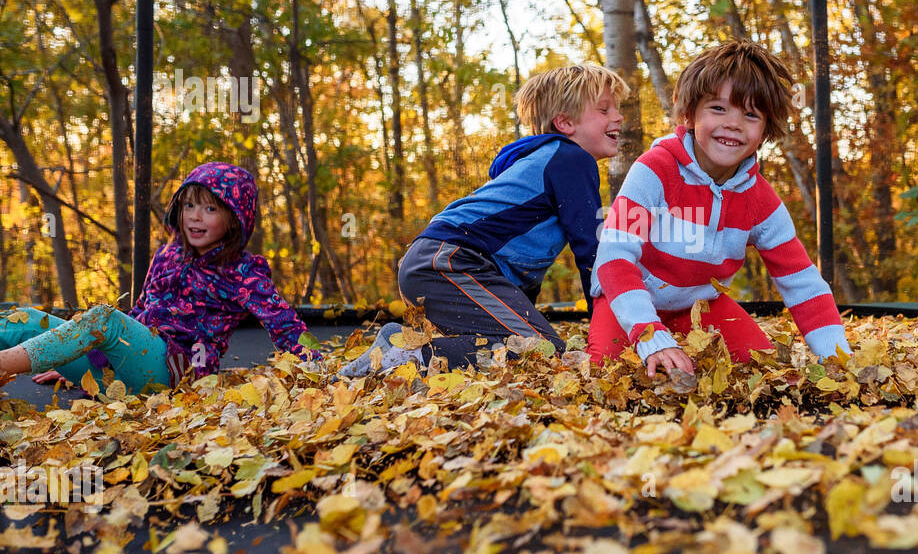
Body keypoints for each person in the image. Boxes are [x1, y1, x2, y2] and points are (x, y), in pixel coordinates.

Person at [342, 63, 629, 376]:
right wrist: (609, 330)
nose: (618, 116)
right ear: (565, 122)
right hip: (448, 261)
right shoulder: (571, 159)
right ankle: (403, 355)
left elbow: (513, 279)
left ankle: (405, 349)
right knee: (540, 352)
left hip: (436, 263)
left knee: (535, 346)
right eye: (604, 109)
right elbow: (591, 252)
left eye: (617, 108)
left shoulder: (546, 161)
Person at [588, 40, 849, 376]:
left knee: (758, 367)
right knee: (611, 371)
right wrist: (651, 335)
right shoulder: (654, 170)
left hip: (700, 307)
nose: (734, 124)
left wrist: (838, 360)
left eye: (751, 114)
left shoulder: (760, 200)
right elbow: (614, 258)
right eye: (718, 109)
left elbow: (802, 281)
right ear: (690, 114)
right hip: (627, 300)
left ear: (765, 130)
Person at [0, 162, 321, 395]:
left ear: (234, 219)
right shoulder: (167, 255)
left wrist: (317, 370)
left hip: (172, 375)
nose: (195, 215)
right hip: (118, 372)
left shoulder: (243, 271)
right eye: (189, 205)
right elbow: (141, 314)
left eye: (210, 209)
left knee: (104, 317)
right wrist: (71, 357)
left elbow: (286, 325)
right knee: (24, 319)